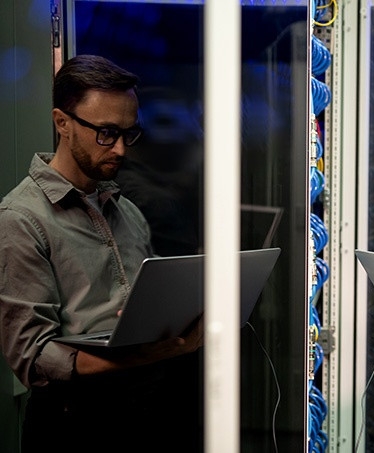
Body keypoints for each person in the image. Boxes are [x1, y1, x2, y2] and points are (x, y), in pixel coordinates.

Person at [0, 55, 203, 453]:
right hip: (73, 423)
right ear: (62, 122)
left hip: (146, 409)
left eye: (130, 133)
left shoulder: (126, 210)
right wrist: (144, 355)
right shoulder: (20, 219)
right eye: (107, 133)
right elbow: (34, 358)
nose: (122, 150)